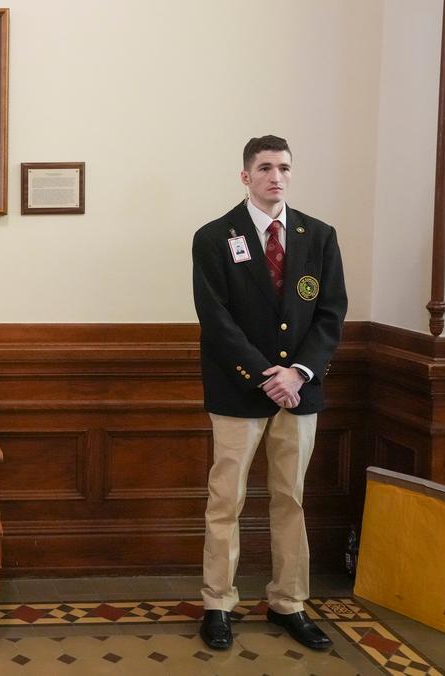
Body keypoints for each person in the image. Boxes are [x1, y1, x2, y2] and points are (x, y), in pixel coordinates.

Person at [191, 135, 347, 651]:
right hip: (238, 391)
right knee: (226, 501)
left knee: (291, 500)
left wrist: (299, 372)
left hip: (300, 392)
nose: (274, 176)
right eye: (264, 168)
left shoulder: (319, 236)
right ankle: (218, 603)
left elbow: (330, 314)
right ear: (245, 176)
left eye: (282, 167)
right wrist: (265, 374)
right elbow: (216, 320)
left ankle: (289, 603)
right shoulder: (214, 237)